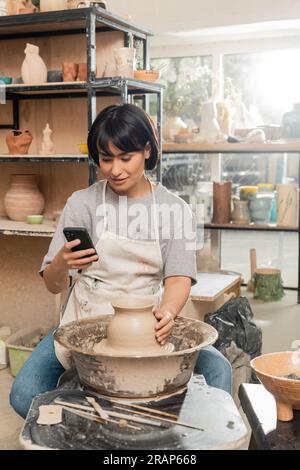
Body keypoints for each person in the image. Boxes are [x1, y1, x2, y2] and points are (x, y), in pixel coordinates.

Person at [10, 104, 231, 418]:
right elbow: (52, 283)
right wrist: (62, 262)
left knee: (218, 369)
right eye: (106, 158)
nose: (115, 170)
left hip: (147, 325)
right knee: (24, 394)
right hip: (83, 322)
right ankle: (89, 430)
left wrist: (168, 312)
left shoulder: (174, 209)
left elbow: (179, 277)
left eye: (125, 157)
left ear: (146, 151)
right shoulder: (82, 203)